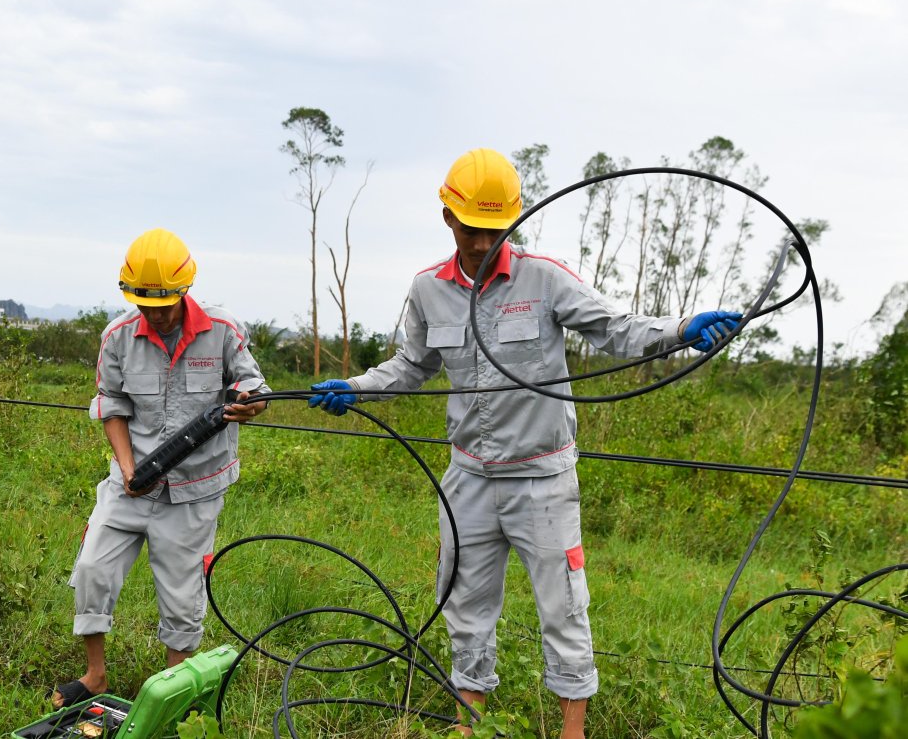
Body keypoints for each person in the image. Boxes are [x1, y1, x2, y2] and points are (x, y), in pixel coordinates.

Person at [308, 149, 741, 739]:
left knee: (564, 609)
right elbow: (411, 367)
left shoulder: (545, 276)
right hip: (468, 480)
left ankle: (572, 733)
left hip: (542, 479)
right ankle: (470, 727)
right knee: (464, 607)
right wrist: (355, 389)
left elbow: (613, 328)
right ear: (448, 218)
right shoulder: (427, 290)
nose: (484, 244)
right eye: (473, 229)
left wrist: (680, 330)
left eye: (496, 231)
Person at [54, 228, 270, 708]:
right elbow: (111, 404)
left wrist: (248, 403)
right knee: (92, 568)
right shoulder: (118, 336)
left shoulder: (223, 330)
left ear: (185, 290)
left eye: (164, 303)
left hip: (195, 489)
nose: (154, 313)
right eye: (144, 303)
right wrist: (129, 469)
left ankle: (171, 692)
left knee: (180, 588)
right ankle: (94, 676)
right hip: (130, 483)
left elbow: (254, 385)